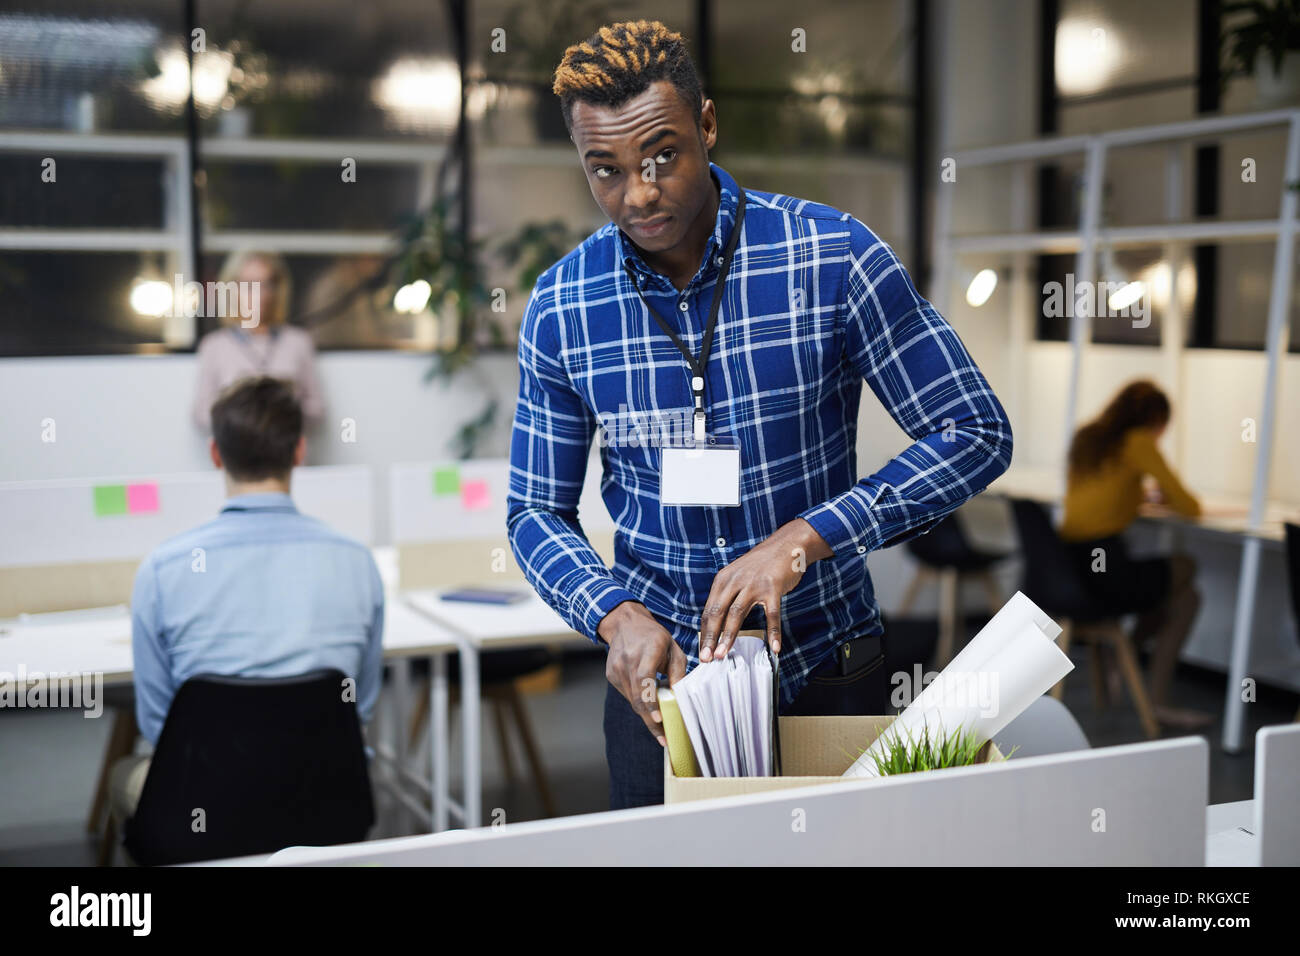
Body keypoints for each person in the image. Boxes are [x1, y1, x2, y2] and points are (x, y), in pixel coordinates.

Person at [505, 20, 1013, 809]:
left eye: (662, 156)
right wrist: (611, 616)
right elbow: (534, 511)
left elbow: (975, 432)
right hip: (658, 696)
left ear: (707, 125)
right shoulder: (563, 305)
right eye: (604, 170)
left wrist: (810, 537)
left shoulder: (833, 255)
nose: (637, 193)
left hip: (828, 670)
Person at [110, 376, 384, 824]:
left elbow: (158, 724)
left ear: (216, 454)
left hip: (202, 809)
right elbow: (361, 706)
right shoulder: (357, 562)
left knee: (124, 774)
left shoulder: (163, 569)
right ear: (299, 451)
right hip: (326, 799)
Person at [1059, 379, 1209, 730]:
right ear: (1156, 421)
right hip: (1106, 572)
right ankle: (1150, 693)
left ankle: (1126, 659)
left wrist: (1138, 497)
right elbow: (1191, 506)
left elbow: (1095, 498)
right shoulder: (1139, 442)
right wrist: (1164, 496)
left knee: (1186, 599)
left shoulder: (1088, 439)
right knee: (1186, 566)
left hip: (1070, 567)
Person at [192, 250, 325, 434]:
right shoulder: (215, 345)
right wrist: (243, 415)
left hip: (287, 452)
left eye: (266, 284)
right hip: (238, 453)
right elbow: (201, 414)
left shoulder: (298, 342)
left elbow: (316, 410)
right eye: (248, 285)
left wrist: (283, 413)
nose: (259, 294)